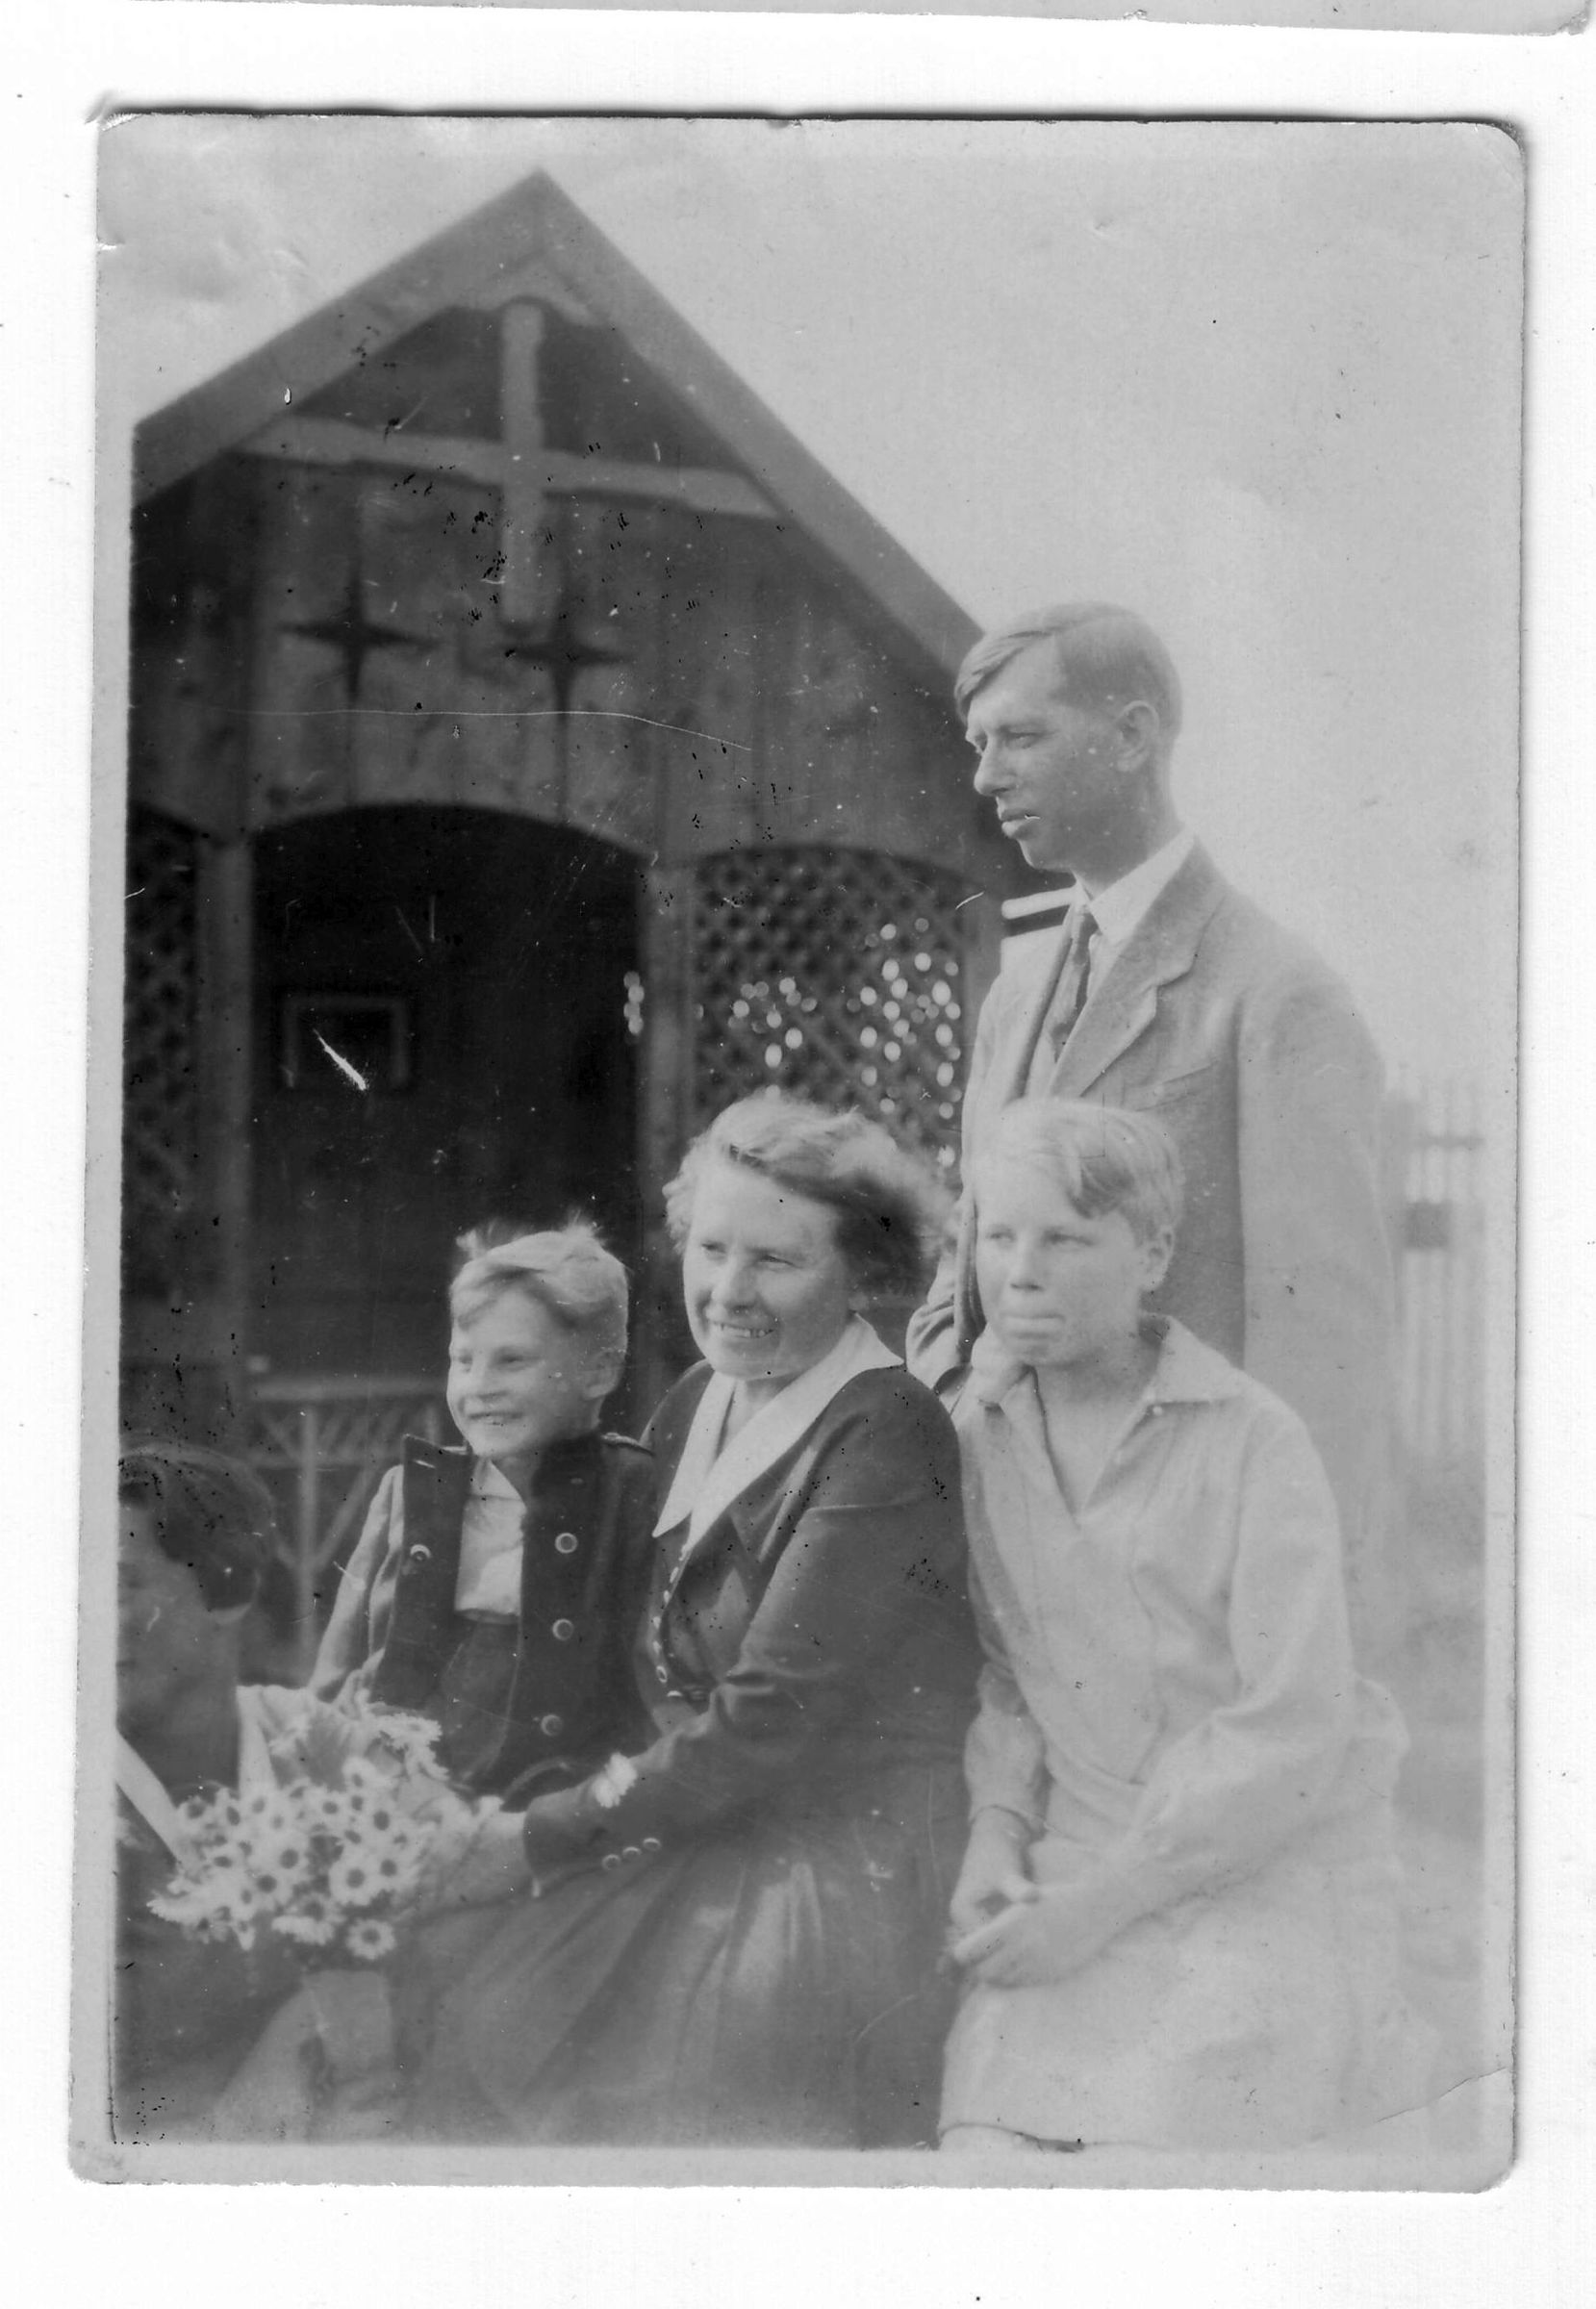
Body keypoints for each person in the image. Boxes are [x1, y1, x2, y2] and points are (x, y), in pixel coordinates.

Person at [391, 1094, 980, 2147]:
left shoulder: (887, 1430)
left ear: (861, 1268)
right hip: (696, 1817)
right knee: (444, 1974)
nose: (729, 1292)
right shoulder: (699, 1398)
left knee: (576, 2053)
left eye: (776, 1261)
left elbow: (769, 1719)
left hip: (832, 1858)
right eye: (711, 1250)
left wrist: (539, 1835)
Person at [906, 602, 1398, 1654]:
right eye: (980, 744)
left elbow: (1324, 1348)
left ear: (1133, 736)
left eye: (1021, 737)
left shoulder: (1276, 993)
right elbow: (960, 1273)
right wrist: (954, 1427)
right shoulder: (1017, 993)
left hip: (1179, 1581)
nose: (987, 777)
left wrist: (1280, 1608)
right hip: (1003, 1552)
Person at [938, 1102, 1424, 2154]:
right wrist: (996, 1833)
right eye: (998, 1235)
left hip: (1249, 1869)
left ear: (1152, 1254)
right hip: (1065, 1858)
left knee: (1182, 2134)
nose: (1020, 1273)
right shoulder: (978, 1433)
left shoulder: (1252, 1441)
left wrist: (1105, 1903)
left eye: (1065, 1239)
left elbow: (1295, 1727)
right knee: (990, 2150)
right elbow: (1009, 1674)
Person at [312, 1222, 655, 1805]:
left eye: (511, 1361)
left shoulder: (632, 1491)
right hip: (409, 1790)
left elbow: (651, 1672)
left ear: (599, 1371)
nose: (479, 1386)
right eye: (463, 1360)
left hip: (557, 1805)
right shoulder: (412, 1492)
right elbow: (341, 1663)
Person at [114, 1440, 393, 2141]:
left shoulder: (306, 1739)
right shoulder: (48, 1798)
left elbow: (452, 1870)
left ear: (229, 1589)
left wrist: (293, 2036)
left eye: (117, 1586)